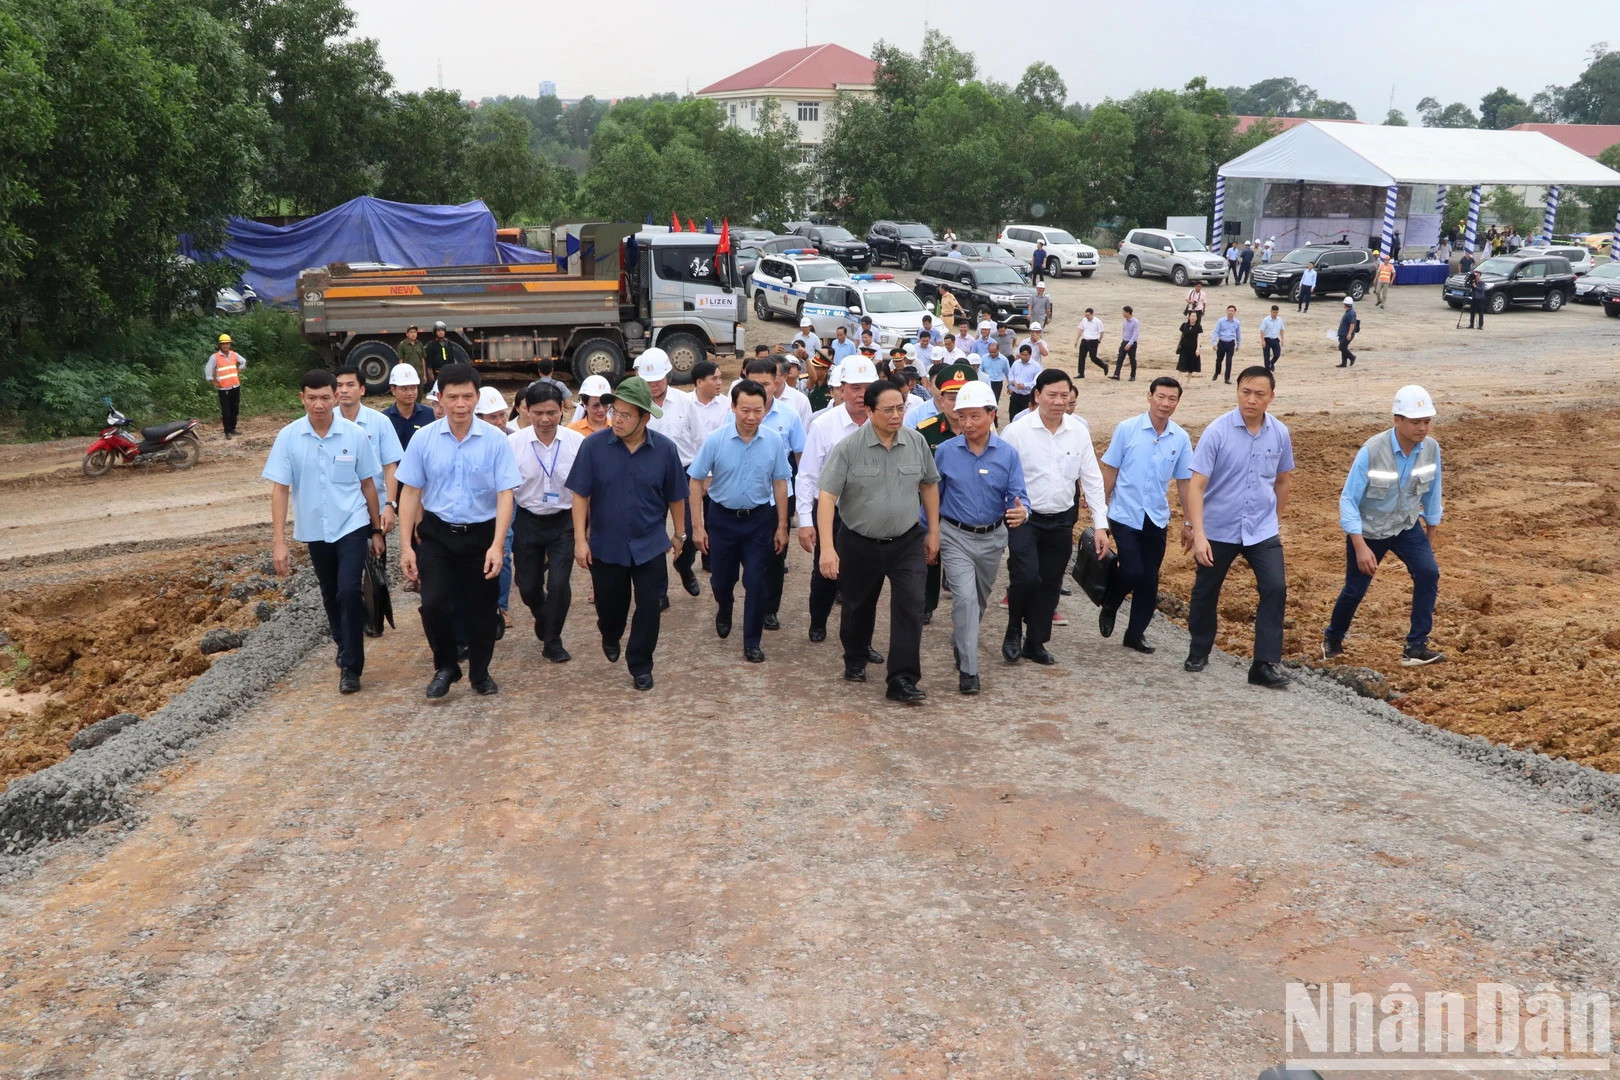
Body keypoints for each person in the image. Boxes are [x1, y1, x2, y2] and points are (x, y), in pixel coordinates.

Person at [396, 363, 520, 699]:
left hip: (481, 535)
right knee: (433, 604)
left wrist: (498, 546)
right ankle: (446, 665)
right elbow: (409, 492)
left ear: (477, 398)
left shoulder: (495, 441)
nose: (461, 404)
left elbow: (505, 494)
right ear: (440, 398)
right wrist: (406, 546)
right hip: (437, 535)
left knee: (480, 610)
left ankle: (480, 673)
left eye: (467, 396)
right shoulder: (424, 440)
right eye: (453, 397)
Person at [816, 379, 941, 704]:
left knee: (910, 607)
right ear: (869, 411)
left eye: (901, 407)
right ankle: (855, 657)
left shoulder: (916, 442)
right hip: (859, 542)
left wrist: (934, 531)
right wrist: (827, 548)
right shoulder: (849, 448)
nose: (897, 415)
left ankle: (902, 678)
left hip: (906, 541)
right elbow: (827, 497)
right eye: (888, 409)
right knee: (858, 606)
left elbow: (929, 485)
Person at [263, 370, 384, 694]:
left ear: (336, 396)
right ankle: (343, 644)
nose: (319, 404)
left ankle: (351, 666)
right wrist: (279, 542)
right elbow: (280, 489)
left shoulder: (354, 434)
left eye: (325, 397)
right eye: (312, 398)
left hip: (351, 523)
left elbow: (368, 484)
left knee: (348, 590)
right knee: (331, 593)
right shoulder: (289, 437)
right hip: (314, 528)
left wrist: (376, 530)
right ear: (302, 398)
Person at [567, 375, 687, 691]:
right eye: (614, 413)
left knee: (650, 605)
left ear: (645, 417)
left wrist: (680, 534)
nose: (616, 420)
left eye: (625, 415)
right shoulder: (593, 447)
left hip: (649, 544)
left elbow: (676, 495)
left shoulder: (665, 450)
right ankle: (609, 632)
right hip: (606, 546)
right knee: (611, 608)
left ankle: (640, 665)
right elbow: (580, 495)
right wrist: (580, 540)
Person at [1183, 367, 1294, 689]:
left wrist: (1275, 520)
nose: (1251, 399)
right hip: (1218, 528)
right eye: (1246, 391)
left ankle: (1263, 664)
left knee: (1275, 588)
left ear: (1271, 397)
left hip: (1261, 529)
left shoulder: (1280, 434)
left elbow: (1283, 481)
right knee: (1206, 590)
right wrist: (1199, 534)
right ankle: (1199, 649)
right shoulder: (1217, 431)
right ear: (1237, 392)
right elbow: (1196, 486)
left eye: (1260, 394)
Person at [1323, 384, 1445, 667]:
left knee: (1428, 572)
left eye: (1427, 421)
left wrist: (1430, 535)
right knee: (1355, 589)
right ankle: (1333, 637)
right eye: (1416, 422)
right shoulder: (1372, 450)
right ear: (1397, 420)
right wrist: (1360, 546)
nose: (1422, 428)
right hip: (1369, 531)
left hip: (1405, 525)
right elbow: (1348, 500)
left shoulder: (1431, 449)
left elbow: (1433, 493)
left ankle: (1416, 646)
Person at [1000, 368, 1109, 665]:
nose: (1059, 402)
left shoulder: (1078, 431)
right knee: (1026, 576)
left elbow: (1092, 478)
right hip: (1024, 517)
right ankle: (1013, 629)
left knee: (1049, 581)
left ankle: (1035, 641)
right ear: (1037, 396)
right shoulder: (1016, 432)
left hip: (1062, 518)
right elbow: (1000, 475)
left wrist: (1101, 525)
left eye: (1065, 396)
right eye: (1052, 395)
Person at [688, 378, 793, 663]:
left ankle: (752, 641)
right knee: (722, 580)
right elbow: (696, 480)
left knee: (756, 581)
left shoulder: (772, 440)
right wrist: (698, 526)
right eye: (745, 410)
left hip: (759, 520)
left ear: (765, 409)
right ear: (733, 407)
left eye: (757, 410)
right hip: (722, 520)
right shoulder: (716, 440)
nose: (751, 417)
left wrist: (783, 526)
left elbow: (781, 482)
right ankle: (725, 606)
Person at [934, 380, 1028, 694]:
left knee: (979, 602)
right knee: (964, 597)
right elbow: (933, 497)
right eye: (962, 417)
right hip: (954, 535)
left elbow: (1019, 496)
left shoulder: (1008, 455)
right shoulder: (946, 452)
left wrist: (1021, 511)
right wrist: (928, 534)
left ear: (991, 415)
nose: (967, 423)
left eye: (975, 416)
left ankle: (960, 638)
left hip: (992, 538)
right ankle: (969, 671)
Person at [1098, 378, 1193, 654]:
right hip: (1124, 512)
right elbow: (1111, 470)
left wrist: (1189, 522)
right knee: (1131, 569)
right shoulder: (1127, 429)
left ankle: (1135, 634)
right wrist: (1100, 513)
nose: (1165, 403)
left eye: (1172, 399)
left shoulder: (1181, 438)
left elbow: (1185, 482)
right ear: (1149, 396)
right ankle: (1110, 604)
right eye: (1160, 397)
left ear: (1177, 402)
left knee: (1149, 579)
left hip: (1156, 517)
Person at [797, 356, 879, 643]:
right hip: (831, 512)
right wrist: (805, 522)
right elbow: (806, 476)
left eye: (867, 388)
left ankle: (859, 640)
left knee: (865, 580)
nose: (860, 395)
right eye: (854, 387)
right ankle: (818, 621)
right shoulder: (824, 425)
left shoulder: (882, 423)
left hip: (870, 512)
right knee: (827, 572)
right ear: (842, 389)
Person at [508, 381, 584, 662]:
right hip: (527, 520)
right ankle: (543, 616)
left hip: (564, 522)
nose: (544, 419)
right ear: (526, 410)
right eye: (538, 412)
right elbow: (504, 492)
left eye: (551, 412)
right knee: (527, 586)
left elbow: (585, 490)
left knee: (560, 584)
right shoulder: (512, 444)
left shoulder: (577, 443)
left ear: (562, 410)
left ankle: (552, 640)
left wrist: (585, 530)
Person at [634, 349, 702, 605]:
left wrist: (706, 476)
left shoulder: (686, 403)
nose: (654, 385)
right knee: (653, 535)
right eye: (648, 381)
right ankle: (659, 591)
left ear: (668, 376)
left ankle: (684, 566)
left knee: (689, 529)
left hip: (684, 475)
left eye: (658, 380)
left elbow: (700, 440)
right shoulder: (635, 405)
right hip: (648, 477)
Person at [333, 365, 405, 562]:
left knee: (376, 573)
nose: (344, 390)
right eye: (339, 385)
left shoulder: (380, 422)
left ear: (362, 390)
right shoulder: (325, 423)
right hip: (338, 511)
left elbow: (391, 467)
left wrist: (390, 505)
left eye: (350, 385)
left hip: (374, 509)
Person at [383, 364, 435, 450]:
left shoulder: (430, 416)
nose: (410, 393)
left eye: (413, 388)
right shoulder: (384, 419)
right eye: (404, 389)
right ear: (393, 390)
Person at [205, 333, 245, 439]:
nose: (225, 346)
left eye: (227, 344)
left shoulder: (234, 355)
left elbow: (243, 361)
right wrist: (213, 381)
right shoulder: (215, 357)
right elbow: (208, 370)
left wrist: (239, 369)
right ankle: (227, 431)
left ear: (230, 344)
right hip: (224, 388)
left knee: (235, 409)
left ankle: (233, 428)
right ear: (220, 345)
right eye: (223, 344)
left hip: (235, 386)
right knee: (226, 411)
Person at [688, 359, 732, 442]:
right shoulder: (685, 403)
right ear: (700, 382)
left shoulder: (727, 405)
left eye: (720, 378)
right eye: (714, 379)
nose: (719, 383)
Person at [1005, 345, 1041, 419]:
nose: (1023, 357)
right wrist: (1012, 382)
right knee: (1013, 415)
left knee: (1025, 417)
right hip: (1016, 394)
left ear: (1030, 355)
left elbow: (1036, 382)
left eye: (1025, 355)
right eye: (1021, 354)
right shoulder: (1016, 363)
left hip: (1027, 396)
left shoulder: (1036, 366)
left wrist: (1025, 385)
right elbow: (1010, 374)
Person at [1211, 304, 1241, 384]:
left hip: (1231, 343)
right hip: (1222, 342)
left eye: (1232, 311)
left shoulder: (1237, 322)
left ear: (1234, 312)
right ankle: (1217, 372)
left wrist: (1238, 344)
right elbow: (1216, 332)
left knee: (1229, 361)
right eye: (1229, 311)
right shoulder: (1221, 321)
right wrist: (1214, 343)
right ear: (1226, 311)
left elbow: (1238, 334)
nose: (1230, 312)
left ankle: (1227, 378)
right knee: (1219, 360)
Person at [1075, 309, 1106, 378]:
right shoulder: (1084, 320)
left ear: (1092, 314)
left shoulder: (1098, 321)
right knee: (1081, 357)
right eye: (1086, 315)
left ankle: (1104, 365)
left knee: (1093, 358)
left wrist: (1099, 341)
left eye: (1088, 315)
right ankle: (1081, 373)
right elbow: (1081, 329)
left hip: (1093, 341)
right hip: (1085, 340)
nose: (1087, 317)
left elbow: (1102, 332)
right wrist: (1076, 340)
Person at [1112, 306, 1140, 381]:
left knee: (1132, 359)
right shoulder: (1125, 321)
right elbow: (1124, 332)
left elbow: (1135, 334)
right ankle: (1116, 374)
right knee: (1120, 358)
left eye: (1124, 312)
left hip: (1131, 343)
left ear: (1128, 312)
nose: (1123, 314)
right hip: (1124, 341)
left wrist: (1130, 343)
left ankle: (1132, 376)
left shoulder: (1135, 322)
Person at [423, 322, 456, 386]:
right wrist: (431, 373)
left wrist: (453, 369)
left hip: (447, 369)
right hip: (437, 371)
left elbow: (451, 358)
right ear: (435, 332)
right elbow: (429, 360)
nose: (441, 332)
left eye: (442, 330)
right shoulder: (431, 344)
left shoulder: (448, 343)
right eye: (439, 331)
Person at [978, 338, 1009, 403]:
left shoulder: (1004, 360)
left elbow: (1008, 373)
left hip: (997, 383)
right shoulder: (984, 358)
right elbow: (980, 370)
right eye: (990, 352)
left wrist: (1010, 386)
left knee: (994, 401)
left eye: (993, 352)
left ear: (998, 350)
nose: (991, 354)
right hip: (986, 381)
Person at [1175, 310, 1203, 375]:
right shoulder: (1184, 325)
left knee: (1191, 366)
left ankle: (1188, 382)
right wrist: (1178, 346)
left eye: (1194, 316)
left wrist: (1198, 348)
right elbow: (1181, 336)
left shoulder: (1198, 327)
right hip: (1184, 347)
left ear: (1197, 318)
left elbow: (1199, 338)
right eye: (1191, 316)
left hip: (1193, 348)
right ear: (1189, 317)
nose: (1193, 318)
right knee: (1181, 364)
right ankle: (1179, 379)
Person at [1258, 305, 1285, 372]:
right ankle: (1267, 370)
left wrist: (1282, 338)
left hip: (1275, 339)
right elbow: (1262, 330)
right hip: (1267, 339)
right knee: (1266, 356)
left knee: (1277, 354)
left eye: (1276, 312)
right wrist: (1262, 340)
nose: (1275, 314)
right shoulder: (1266, 320)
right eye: (1274, 312)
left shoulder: (1280, 320)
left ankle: (1271, 363)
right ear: (1271, 311)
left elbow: (1282, 329)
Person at [1336, 297, 1360, 367]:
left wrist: (1349, 334)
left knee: (1342, 347)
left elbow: (1352, 324)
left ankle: (1352, 357)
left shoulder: (1351, 313)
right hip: (1344, 333)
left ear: (1345, 304)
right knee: (1344, 347)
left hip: (1346, 334)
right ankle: (1344, 363)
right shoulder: (1350, 312)